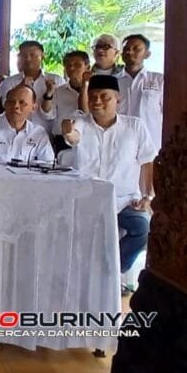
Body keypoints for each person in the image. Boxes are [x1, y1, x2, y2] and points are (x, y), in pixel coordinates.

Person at [62, 75, 157, 274]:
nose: (97, 101)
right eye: (93, 97)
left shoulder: (135, 126)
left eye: (104, 97)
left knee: (143, 229)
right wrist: (68, 132)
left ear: (117, 99)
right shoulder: (81, 122)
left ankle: (111, 272)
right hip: (87, 199)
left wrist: (148, 196)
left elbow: (147, 162)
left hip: (125, 201)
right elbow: (73, 137)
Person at [0, 41, 64, 130]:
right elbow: (6, 109)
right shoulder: (9, 82)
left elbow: (56, 113)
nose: (28, 59)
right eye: (23, 55)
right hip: (16, 134)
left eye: (32, 55)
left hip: (47, 133)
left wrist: (49, 94)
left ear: (43, 56)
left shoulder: (56, 80)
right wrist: (19, 87)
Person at [116, 34, 164, 151]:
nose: (130, 52)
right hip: (119, 144)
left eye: (136, 49)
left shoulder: (159, 80)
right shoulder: (113, 81)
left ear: (147, 54)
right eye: (126, 49)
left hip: (151, 144)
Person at [41, 51, 89, 153]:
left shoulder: (95, 91)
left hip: (87, 138)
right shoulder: (59, 91)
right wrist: (49, 93)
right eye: (68, 65)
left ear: (87, 67)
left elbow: (84, 111)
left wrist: (85, 85)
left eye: (77, 65)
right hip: (61, 140)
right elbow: (48, 115)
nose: (72, 68)